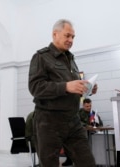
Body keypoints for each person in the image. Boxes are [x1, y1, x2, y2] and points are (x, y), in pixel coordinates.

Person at [28, 19, 98, 167]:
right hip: (49, 121)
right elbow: (35, 87)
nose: (71, 40)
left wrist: (86, 89)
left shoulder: (71, 59)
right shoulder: (41, 57)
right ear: (55, 34)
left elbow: (72, 88)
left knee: (88, 162)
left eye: (73, 37)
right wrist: (66, 86)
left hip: (73, 120)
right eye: (67, 36)